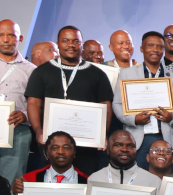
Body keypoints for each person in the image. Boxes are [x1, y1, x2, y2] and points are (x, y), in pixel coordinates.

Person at [24, 26, 113, 175]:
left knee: (84, 181)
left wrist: (102, 133)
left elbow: (106, 106)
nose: (71, 44)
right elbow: (33, 103)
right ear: (58, 44)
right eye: (65, 41)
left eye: (76, 41)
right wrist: (38, 130)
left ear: (81, 45)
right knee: (53, 182)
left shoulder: (97, 74)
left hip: (87, 144)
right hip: (52, 143)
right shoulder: (41, 71)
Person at [112, 31, 173, 168]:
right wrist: (134, 119)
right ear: (141, 48)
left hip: (166, 138)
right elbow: (117, 104)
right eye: (150, 45)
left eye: (160, 47)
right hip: (137, 138)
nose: (155, 50)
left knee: (164, 179)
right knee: (135, 178)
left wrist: (172, 117)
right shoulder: (127, 74)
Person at [0, 19, 34, 185]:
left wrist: (25, 115)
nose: (5, 40)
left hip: (17, 131)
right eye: (0, 35)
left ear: (20, 38)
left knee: (11, 183)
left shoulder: (31, 70)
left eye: (11, 35)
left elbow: (39, 105)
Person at [13, 132, 88, 194]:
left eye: (66, 148)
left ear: (74, 153)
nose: (60, 152)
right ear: (47, 153)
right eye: (55, 148)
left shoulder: (88, 182)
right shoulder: (28, 179)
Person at [90, 130, 162, 189]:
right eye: (118, 145)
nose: (124, 149)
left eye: (130, 146)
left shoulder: (153, 182)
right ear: (108, 150)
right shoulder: (95, 179)